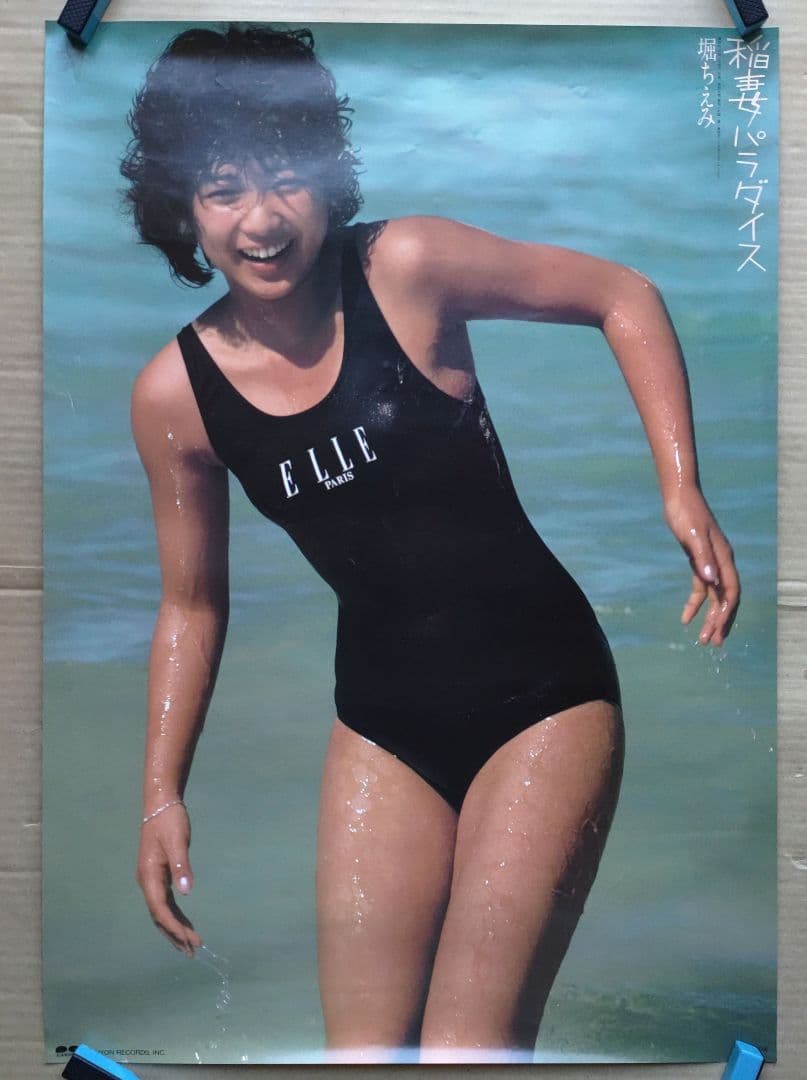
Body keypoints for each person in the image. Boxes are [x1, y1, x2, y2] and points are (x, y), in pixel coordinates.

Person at [122, 24, 740, 1064]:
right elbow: (192, 604)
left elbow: (620, 295)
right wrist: (160, 793)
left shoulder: (404, 268)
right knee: (364, 1060)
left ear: (329, 175)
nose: (262, 221)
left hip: (544, 697)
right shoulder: (174, 398)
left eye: (286, 179)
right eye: (224, 190)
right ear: (181, 206)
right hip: (379, 724)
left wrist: (680, 486)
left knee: (466, 1052)